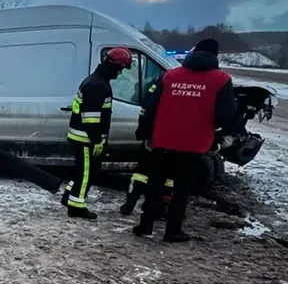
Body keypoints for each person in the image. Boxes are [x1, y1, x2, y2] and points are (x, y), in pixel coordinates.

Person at [132, 38, 236, 241]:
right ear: (215, 56)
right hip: (194, 144)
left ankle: (145, 225)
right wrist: (217, 134)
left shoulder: (170, 76)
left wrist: (145, 134)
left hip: (162, 140)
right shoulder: (221, 80)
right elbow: (225, 115)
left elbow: (150, 107)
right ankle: (173, 230)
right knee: (181, 188)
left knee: (155, 183)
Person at [61, 47, 134, 219]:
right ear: (114, 66)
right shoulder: (97, 85)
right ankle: (76, 207)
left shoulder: (97, 81)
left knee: (82, 171)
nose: (121, 73)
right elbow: (91, 118)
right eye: (121, 68)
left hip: (83, 136)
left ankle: (69, 197)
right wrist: (97, 141)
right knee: (87, 173)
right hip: (85, 138)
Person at [119, 140, 175, 216]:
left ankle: (130, 204)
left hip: (155, 145)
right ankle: (163, 207)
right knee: (167, 178)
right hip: (170, 148)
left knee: (141, 174)